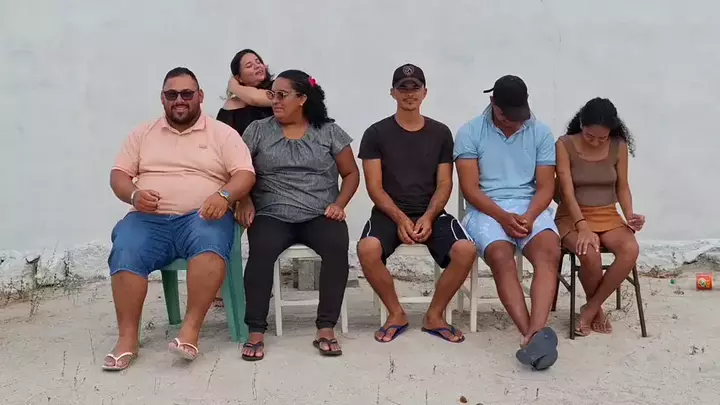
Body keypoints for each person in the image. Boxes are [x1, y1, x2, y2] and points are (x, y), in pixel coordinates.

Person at [103, 67, 256, 371]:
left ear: (200, 96)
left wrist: (223, 196)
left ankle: (190, 331)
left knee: (210, 242)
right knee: (126, 246)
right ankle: (127, 339)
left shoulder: (222, 133)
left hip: (201, 215)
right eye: (172, 94)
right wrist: (134, 195)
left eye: (187, 93)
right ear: (162, 98)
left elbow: (244, 174)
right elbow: (118, 175)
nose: (179, 100)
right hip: (148, 219)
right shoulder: (142, 133)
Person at [235, 70, 360, 361]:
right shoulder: (257, 130)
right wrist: (244, 200)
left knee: (336, 247)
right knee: (260, 252)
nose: (275, 101)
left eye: (282, 95)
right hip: (272, 212)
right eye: (272, 95)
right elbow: (239, 169)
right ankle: (256, 331)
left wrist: (340, 203)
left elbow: (351, 173)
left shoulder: (328, 131)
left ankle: (326, 327)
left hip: (319, 212)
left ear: (302, 98)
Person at [356, 64, 477, 344]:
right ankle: (396, 313)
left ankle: (434, 315)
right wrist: (400, 218)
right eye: (403, 88)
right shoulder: (375, 133)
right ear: (393, 93)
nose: (409, 94)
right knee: (367, 248)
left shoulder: (440, 133)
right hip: (389, 213)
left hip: (431, 213)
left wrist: (428, 217)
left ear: (425, 92)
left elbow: (444, 183)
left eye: (415, 88)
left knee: (466, 249)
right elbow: (374, 187)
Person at [454, 75, 561, 370]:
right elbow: (470, 190)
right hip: (486, 209)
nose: (514, 123)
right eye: (507, 117)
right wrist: (502, 216)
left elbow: (545, 187)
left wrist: (529, 216)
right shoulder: (470, 132)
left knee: (549, 251)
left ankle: (534, 334)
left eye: (519, 117)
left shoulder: (540, 132)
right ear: (493, 104)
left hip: (529, 207)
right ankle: (532, 336)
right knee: (501, 256)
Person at [554, 97, 644, 336]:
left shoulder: (618, 146)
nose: (595, 142)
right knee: (589, 253)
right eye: (590, 136)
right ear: (581, 125)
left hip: (607, 214)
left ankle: (591, 307)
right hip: (573, 215)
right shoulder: (564, 144)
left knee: (630, 249)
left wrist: (630, 214)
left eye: (602, 138)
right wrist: (582, 226)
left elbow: (622, 186)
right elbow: (566, 192)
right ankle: (598, 312)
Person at [212, 49, 274, 308]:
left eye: (258, 61)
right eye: (249, 65)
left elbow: (262, 99)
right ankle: (221, 285)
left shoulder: (277, 94)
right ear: (238, 75)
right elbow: (225, 155)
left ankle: (258, 284)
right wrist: (243, 196)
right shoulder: (229, 110)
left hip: (274, 178)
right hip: (240, 177)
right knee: (227, 224)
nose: (258, 66)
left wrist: (235, 86)